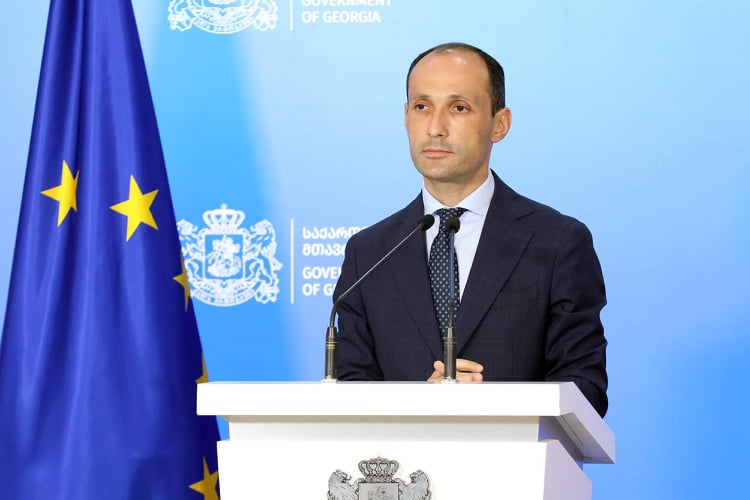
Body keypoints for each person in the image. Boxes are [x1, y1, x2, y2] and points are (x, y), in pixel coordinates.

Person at [332, 42, 608, 417]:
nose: (435, 128)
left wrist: (492, 406)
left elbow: (585, 389)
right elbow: (349, 390)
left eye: (459, 108)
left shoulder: (557, 242)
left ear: (499, 124)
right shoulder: (369, 252)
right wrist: (419, 404)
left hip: (515, 453)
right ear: (406, 117)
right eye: (422, 107)